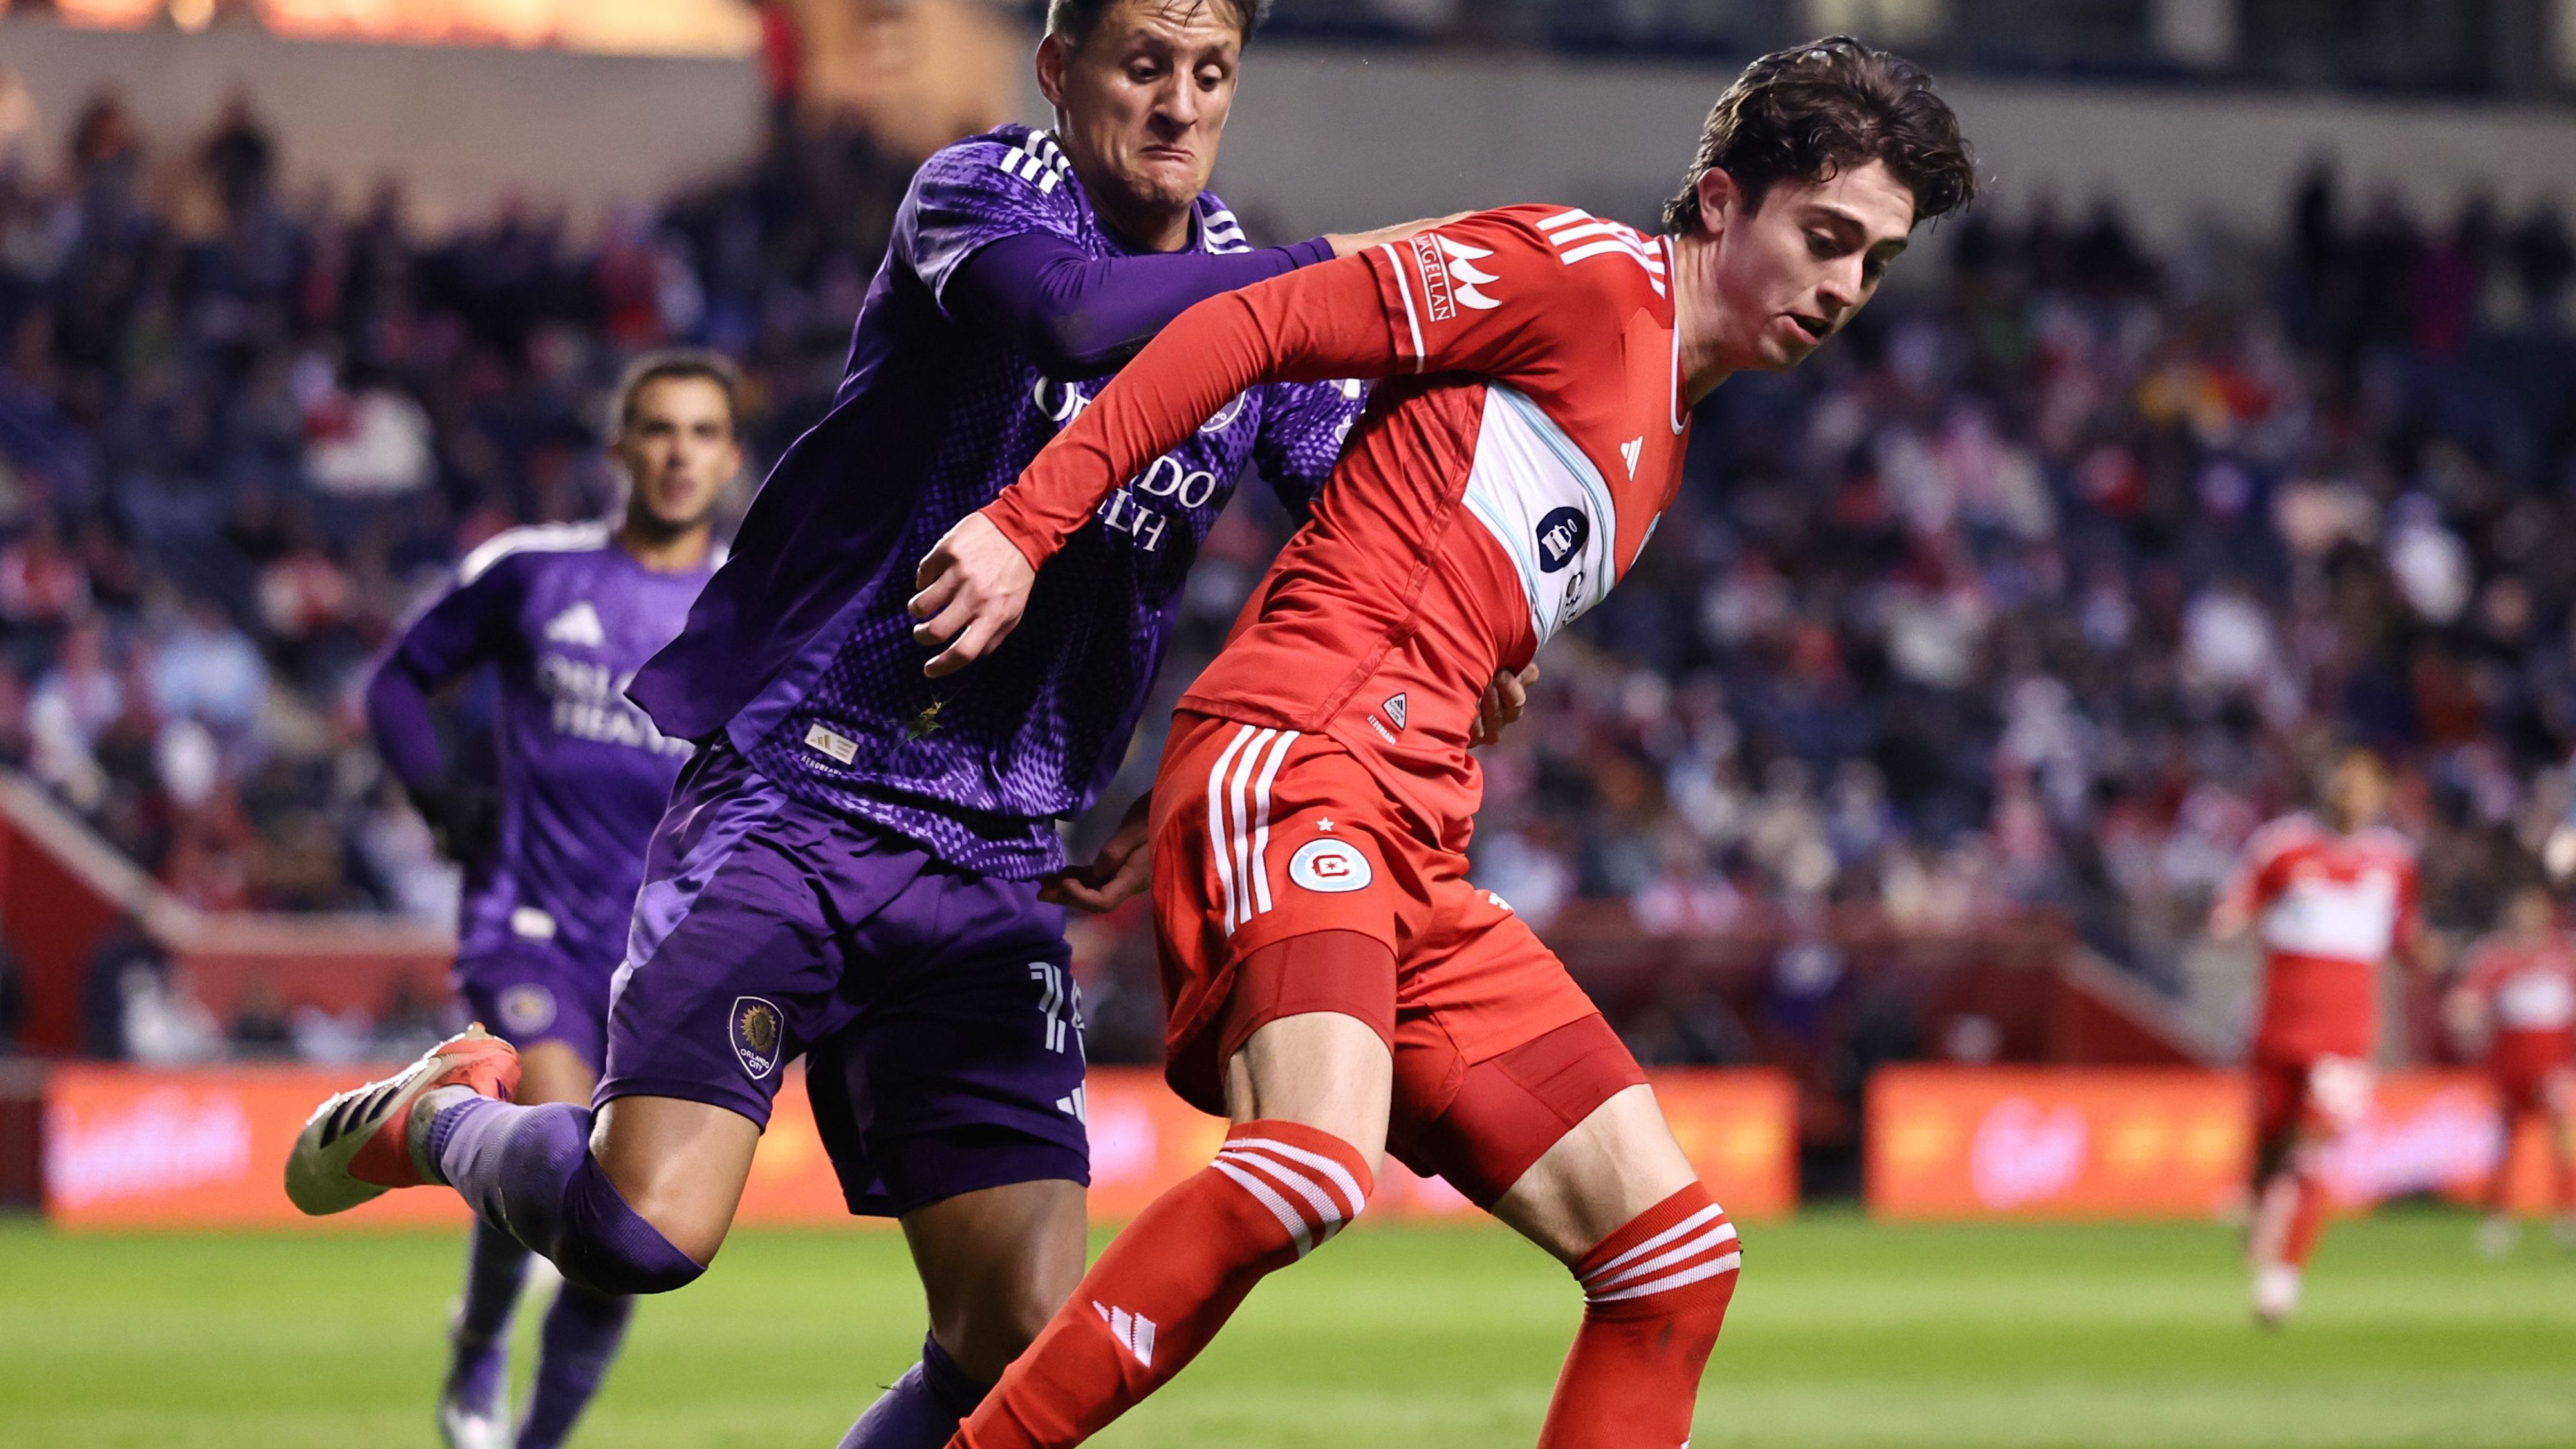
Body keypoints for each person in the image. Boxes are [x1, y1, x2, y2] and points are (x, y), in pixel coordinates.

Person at [286, 5, 1487, 1446]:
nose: (1178, 105)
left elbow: (1368, 524)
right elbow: (1071, 318)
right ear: (1060, 72)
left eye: (1211, 73)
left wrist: (1476, 615)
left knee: (1019, 1360)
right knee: (644, 1229)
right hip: (804, 792)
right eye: (1144, 66)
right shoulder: (983, 196)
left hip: (998, 865)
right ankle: (437, 1118)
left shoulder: (1270, 324)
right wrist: (1332, 269)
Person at [905, 37, 1973, 1446]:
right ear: (1719, 202)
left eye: (1874, 264)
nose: (1842, 289)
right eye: (1825, 237)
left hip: (1400, 820)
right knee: (1309, 1167)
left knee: (1672, 1260)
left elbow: (1397, 559)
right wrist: (1030, 523)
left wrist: (1203, 771)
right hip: (1314, 769)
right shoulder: (1586, 275)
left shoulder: (1664, 427)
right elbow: (1257, 323)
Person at [358, 349, 739, 1449]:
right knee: (561, 1131)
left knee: (625, 1225)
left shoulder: (745, 610)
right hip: (528, 924)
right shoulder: (533, 573)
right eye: (657, 429)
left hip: (665, 957)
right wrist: (439, 797)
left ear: (728, 458)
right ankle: (480, 1338)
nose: (678, 453)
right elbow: (396, 680)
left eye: (702, 432)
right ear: (618, 448)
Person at [2210, 745, 2434, 1328]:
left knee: (2313, 1155)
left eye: (2362, 787)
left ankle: (2281, 1280)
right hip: (2278, 1030)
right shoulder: (2282, 846)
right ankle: (2263, 1196)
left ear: (2381, 796)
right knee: (2270, 1141)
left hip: (2345, 1039)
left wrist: (2429, 958)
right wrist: (2230, 917)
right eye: (2343, 783)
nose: (2350, 796)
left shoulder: (2393, 863)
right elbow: (2239, 897)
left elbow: (2405, 934)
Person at [2447, 880, 2576, 1257]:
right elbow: (2469, 1000)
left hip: (2553, 1068)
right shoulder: (2495, 957)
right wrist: (2465, 1015)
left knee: (2563, 1140)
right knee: (2506, 1144)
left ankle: (2566, 1214)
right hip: (2510, 1067)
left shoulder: (2564, 956)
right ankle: (2500, 1217)